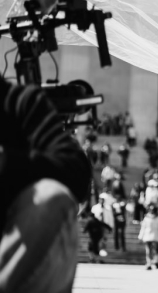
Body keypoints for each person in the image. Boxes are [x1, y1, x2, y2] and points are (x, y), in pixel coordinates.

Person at [0, 76, 91, 293]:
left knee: (52, 197)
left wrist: (6, 163)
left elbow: (76, 170)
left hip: (10, 249)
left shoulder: (18, 103)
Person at [138, 204, 158, 270]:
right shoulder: (146, 218)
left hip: (155, 236)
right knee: (148, 251)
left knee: (154, 250)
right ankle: (149, 263)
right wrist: (140, 236)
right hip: (147, 236)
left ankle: (155, 261)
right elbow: (143, 228)